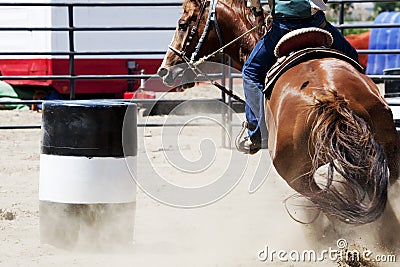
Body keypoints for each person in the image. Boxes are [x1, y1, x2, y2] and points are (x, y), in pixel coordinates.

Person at [237, 0, 359, 154]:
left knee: (250, 71)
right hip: (317, 23)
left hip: (283, 27)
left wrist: (257, 12)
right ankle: (363, 118)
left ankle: (258, 133)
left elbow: (254, 2)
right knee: (352, 56)